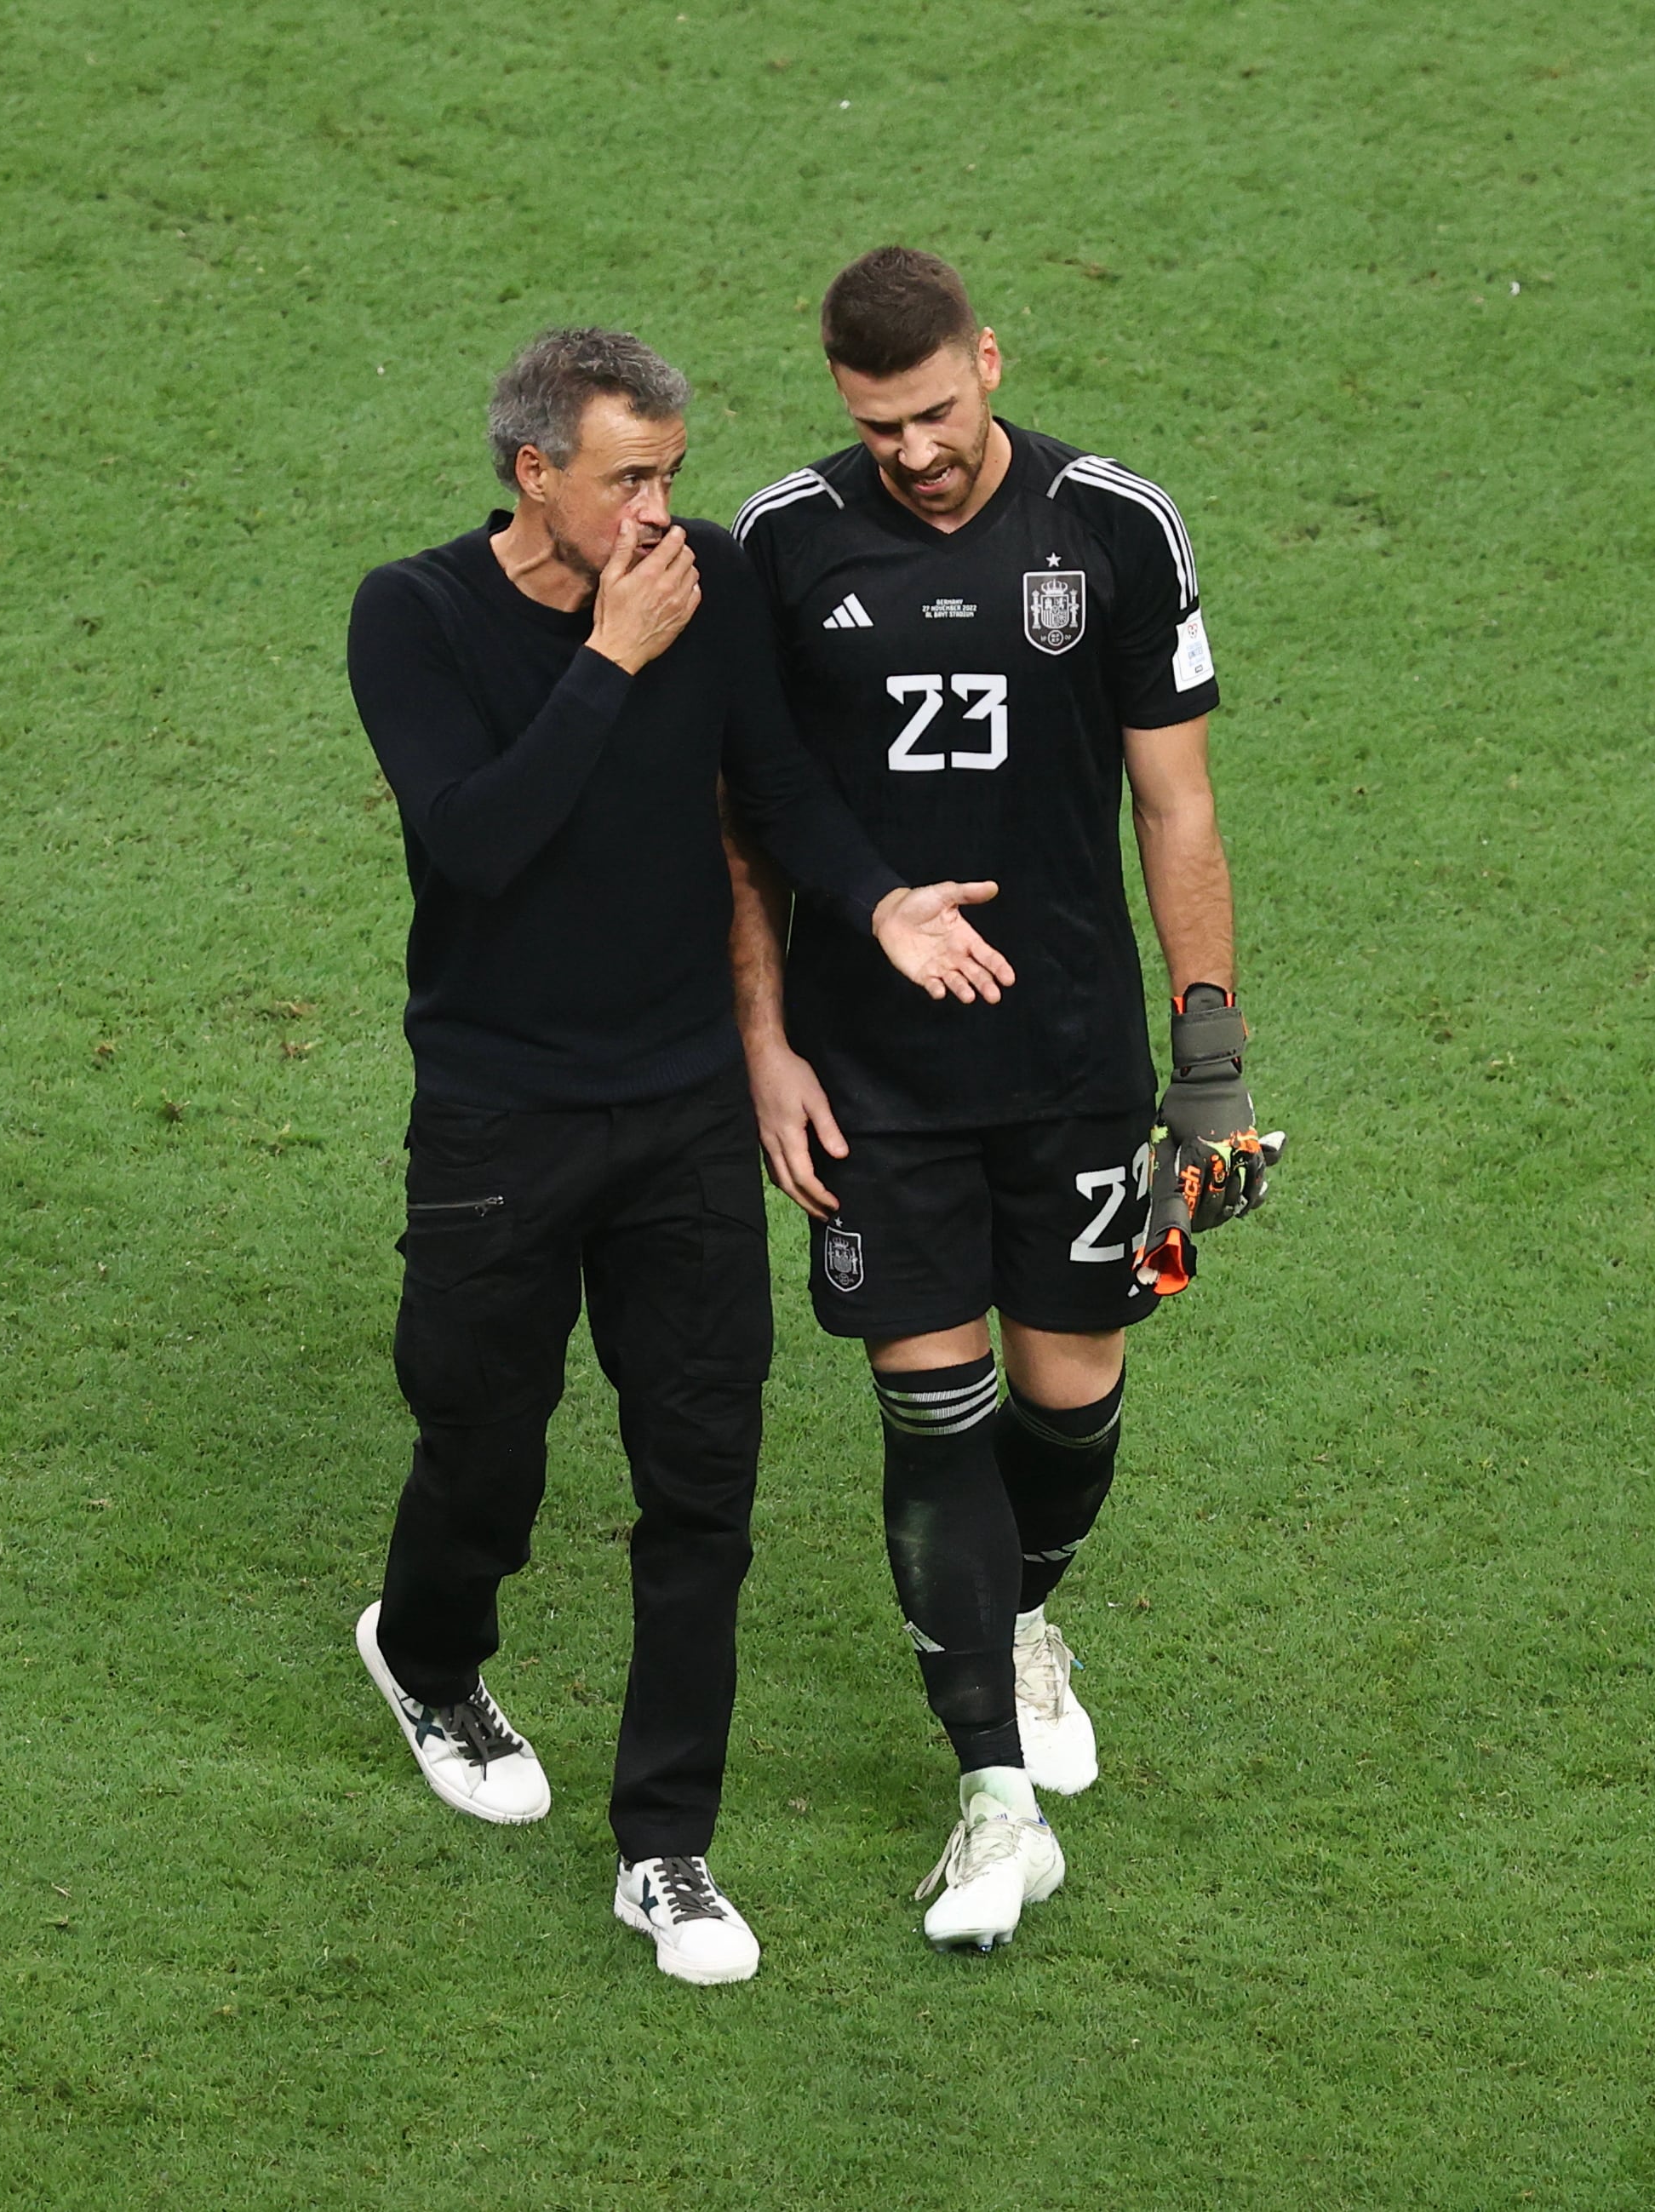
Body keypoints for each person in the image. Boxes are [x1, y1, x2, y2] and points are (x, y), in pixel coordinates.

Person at [344, 326, 1015, 1988]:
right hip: (498, 1113)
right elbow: (477, 846)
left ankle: (668, 1850)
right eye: (624, 476)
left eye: (669, 472)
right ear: (532, 474)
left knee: (700, 1486)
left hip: (681, 1115)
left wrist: (875, 900)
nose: (658, 508)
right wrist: (609, 663)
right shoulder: (413, 618)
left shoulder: (700, 580)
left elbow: (776, 787)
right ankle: (427, 1657)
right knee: (482, 1451)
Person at [724, 249, 1274, 1953]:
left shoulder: (1112, 528)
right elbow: (740, 826)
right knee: (931, 1417)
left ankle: (1016, 1619)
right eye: (878, 425)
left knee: (1069, 1402)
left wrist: (1210, 1068)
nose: (913, 452)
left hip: (1068, 1068)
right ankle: (992, 1803)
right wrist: (764, 1048)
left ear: (989, 362)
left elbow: (1173, 807)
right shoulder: (777, 544)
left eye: (939, 413)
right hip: (868, 1080)